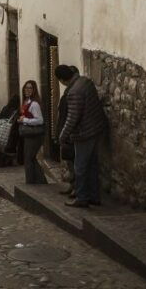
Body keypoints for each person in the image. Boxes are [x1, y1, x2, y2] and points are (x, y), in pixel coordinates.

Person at [56, 64, 108, 208]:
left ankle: (82, 197)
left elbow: (73, 118)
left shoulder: (74, 92)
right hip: (96, 128)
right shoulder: (85, 81)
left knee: (80, 167)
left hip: (84, 133)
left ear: (61, 80)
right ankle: (94, 196)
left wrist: (62, 136)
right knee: (91, 165)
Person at [19, 80, 47, 184]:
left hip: (34, 135)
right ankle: (40, 180)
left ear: (34, 89)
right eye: (26, 88)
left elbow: (40, 120)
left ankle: (31, 181)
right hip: (29, 133)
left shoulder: (34, 104)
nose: (27, 90)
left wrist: (25, 120)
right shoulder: (27, 101)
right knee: (30, 158)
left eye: (30, 88)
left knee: (29, 158)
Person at [57, 66, 78, 196]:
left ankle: (76, 188)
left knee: (74, 162)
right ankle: (73, 185)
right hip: (65, 131)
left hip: (70, 133)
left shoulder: (72, 93)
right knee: (70, 162)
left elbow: (71, 115)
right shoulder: (67, 93)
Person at [0, 94, 21, 167]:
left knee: (3, 145)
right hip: (12, 131)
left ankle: (2, 161)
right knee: (11, 147)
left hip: (3, 129)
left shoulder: (5, 108)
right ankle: (10, 161)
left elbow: (0, 117)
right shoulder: (16, 111)